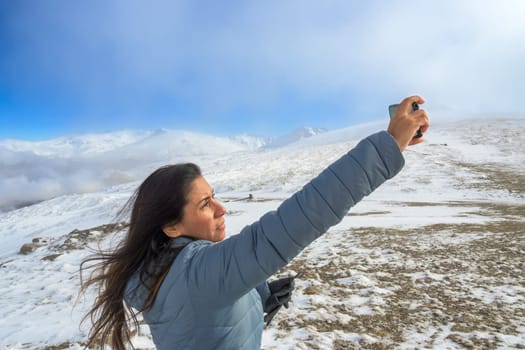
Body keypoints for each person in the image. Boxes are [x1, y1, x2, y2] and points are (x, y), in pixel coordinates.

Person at [80, 96, 429, 349]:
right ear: (170, 226)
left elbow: (205, 317)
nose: (221, 209)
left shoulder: (158, 269)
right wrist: (388, 146)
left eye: (214, 195)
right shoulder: (202, 273)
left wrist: (256, 295)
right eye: (205, 204)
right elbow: (303, 215)